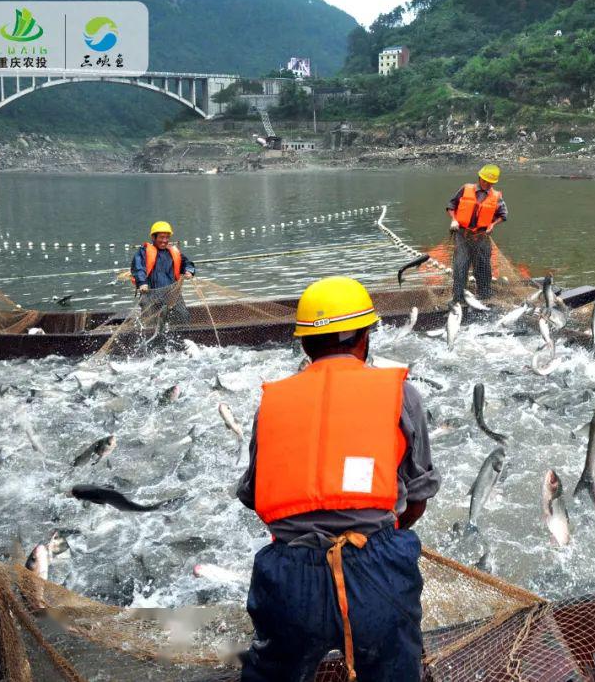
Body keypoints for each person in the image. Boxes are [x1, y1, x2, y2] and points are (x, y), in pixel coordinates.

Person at [237, 276, 440, 682]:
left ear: (305, 344)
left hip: (290, 577)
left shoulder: (272, 403)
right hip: (377, 570)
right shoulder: (401, 394)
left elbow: (253, 494)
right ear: (364, 337)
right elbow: (417, 496)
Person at [446, 164, 508, 303]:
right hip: (462, 234)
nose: (487, 184)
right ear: (479, 178)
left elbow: (503, 215)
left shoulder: (496, 196)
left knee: (483, 266)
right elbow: (451, 206)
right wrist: (454, 220)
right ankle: (458, 298)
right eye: (485, 180)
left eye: (490, 182)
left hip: (482, 236)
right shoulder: (465, 189)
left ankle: (485, 296)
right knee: (460, 265)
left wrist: (492, 224)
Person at [130, 221, 195, 326]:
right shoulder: (143, 252)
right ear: (153, 237)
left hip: (172, 295)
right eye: (161, 237)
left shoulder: (174, 252)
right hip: (150, 295)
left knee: (183, 317)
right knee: (150, 325)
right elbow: (138, 268)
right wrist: (142, 283)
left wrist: (189, 271)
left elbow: (187, 263)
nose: (164, 241)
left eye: (167, 237)